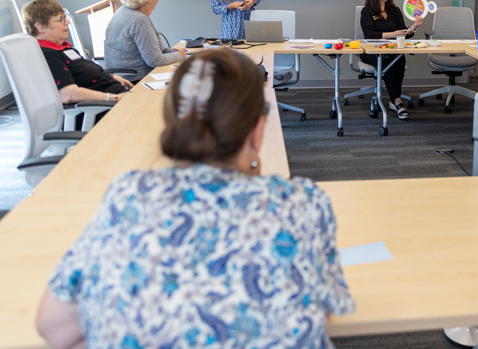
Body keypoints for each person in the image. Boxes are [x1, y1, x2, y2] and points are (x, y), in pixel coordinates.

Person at [36, 48, 354, 348]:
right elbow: (318, 311)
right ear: (258, 130)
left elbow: (55, 327)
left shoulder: (127, 196)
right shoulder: (303, 202)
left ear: (174, 123)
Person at [23, 0, 132, 104]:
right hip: (102, 107)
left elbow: (82, 72)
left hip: (117, 96)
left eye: (65, 17)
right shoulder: (48, 54)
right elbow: (68, 94)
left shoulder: (62, 48)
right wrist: (114, 98)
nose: (68, 22)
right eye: (60, 19)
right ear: (40, 27)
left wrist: (112, 77)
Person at [360, 0, 423, 119]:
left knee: (399, 58)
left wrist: (413, 28)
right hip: (371, 51)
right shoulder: (367, 11)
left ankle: (394, 99)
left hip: (392, 50)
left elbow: (404, 34)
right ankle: (397, 101)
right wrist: (392, 34)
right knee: (387, 61)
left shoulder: (395, 10)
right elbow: (369, 35)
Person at [104, 0, 186, 79]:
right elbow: (155, 60)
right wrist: (180, 55)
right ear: (147, 0)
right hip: (136, 80)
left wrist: (171, 52)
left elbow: (155, 50)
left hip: (119, 77)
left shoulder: (122, 12)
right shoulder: (139, 20)